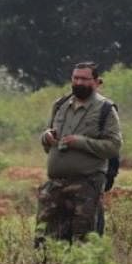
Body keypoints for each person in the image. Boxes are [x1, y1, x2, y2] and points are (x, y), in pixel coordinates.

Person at [37, 62, 122, 244]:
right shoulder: (60, 105)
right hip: (55, 185)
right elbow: (48, 139)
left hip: (87, 184)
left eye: (84, 79)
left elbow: (114, 146)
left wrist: (81, 142)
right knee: (46, 241)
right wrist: (46, 137)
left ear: (97, 82)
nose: (78, 82)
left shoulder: (105, 109)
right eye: (75, 78)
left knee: (84, 241)